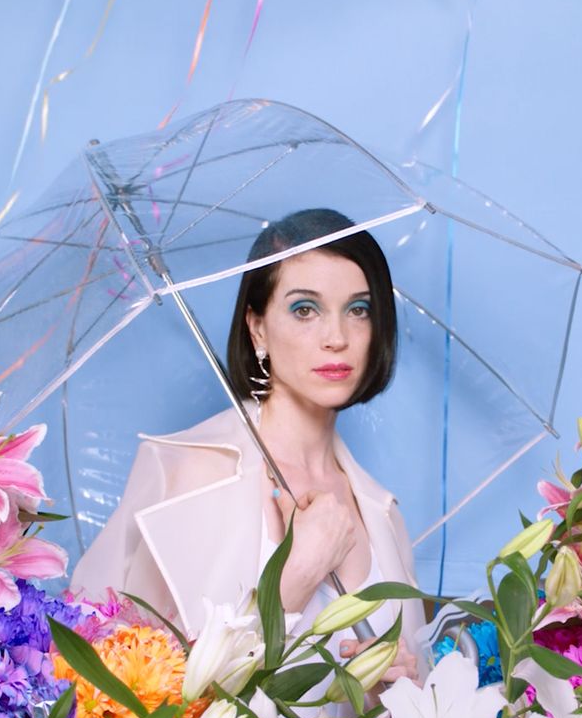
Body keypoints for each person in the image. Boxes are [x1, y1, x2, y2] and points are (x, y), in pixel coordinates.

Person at [70, 208, 425, 683]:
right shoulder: (189, 473)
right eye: (305, 309)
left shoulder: (383, 512)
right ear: (257, 327)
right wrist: (296, 576)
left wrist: (395, 688)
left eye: (358, 309)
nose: (337, 337)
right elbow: (127, 686)